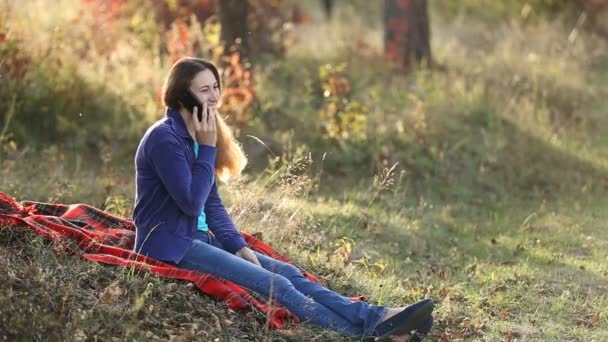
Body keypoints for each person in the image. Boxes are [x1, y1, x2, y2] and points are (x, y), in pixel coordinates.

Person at [132, 57, 434, 340]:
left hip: (197, 236)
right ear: (182, 97)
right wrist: (208, 148)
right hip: (170, 244)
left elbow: (211, 204)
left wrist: (238, 245)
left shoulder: (197, 133)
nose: (213, 97)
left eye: (215, 88)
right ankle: (367, 333)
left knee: (289, 273)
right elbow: (190, 203)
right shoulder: (165, 138)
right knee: (276, 285)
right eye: (204, 90)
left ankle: (375, 317)